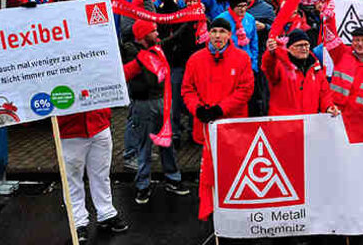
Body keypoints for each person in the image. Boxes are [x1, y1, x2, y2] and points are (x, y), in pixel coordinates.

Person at [181, 17, 255, 220]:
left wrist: (221, 109)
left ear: (229, 35)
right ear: (209, 34)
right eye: (214, 31)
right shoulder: (195, 59)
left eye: (222, 31)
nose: (217, 36)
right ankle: (212, 210)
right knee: (209, 171)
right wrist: (197, 108)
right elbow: (187, 89)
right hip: (205, 125)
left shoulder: (242, 58)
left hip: (232, 126)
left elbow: (246, 89)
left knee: (233, 169)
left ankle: (234, 209)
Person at [122, 20, 189, 204]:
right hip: (143, 103)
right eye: (153, 31)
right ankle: (143, 185)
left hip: (161, 100)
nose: (157, 34)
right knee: (144, 146)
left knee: (166, 142)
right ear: (143, 36)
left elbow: (170, 40)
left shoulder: (154, 49)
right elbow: (144, 77)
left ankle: (173, 179)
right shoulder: (131, 52)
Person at [58, 108, 129, 243]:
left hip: (99, 124)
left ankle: (106, 212)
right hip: (70, 129)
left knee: (101, 174)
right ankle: (78, 222)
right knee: (72, 180)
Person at [262, 29, 340, 116]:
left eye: (306, 45)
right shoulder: (279, 64)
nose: (304, 48)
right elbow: (268, 66)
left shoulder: (315, 67)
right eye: (299, 45)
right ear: (289, 48)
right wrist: (270, 53)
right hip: (284, 124)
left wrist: (328, 107)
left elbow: (324, 93)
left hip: (308, 123)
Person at [322, 16, 363, 111]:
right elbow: (330, 37)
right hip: (335, 113)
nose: (360, 43)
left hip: (360, 119)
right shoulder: (341, 54)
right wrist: (329, 18)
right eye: (356, 40)